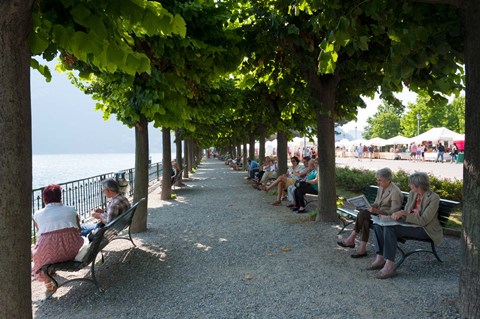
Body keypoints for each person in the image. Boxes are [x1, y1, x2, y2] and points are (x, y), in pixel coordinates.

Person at [367, 172, 443, 279]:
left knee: (390, 228)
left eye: (410, 183)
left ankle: (389, 266)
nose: (409, 186)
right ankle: (380, 258)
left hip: (426, 229)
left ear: (418, 185)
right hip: (410, 224)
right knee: (379, 225)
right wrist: (399, 215)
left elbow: (424, 220)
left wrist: (404, 214)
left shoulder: (434, 197)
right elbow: (407, 210)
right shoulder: (413, 193)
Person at [337, 168, 403, 258]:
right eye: (377, 180)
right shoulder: (381, 187)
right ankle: (362, 249)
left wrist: (376, 211)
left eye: (379, 180)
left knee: (363, 214)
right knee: (365, 219)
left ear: (388, 179)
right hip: (377, 215)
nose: (378, 182)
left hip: (386, 217)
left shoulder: (395, 192)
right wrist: (365, 205)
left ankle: (351, 239)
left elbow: (394, 212)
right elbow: (377, 203)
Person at [32, 184, 84, 292]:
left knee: (38, 249)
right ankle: (51, 273)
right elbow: (79, 230)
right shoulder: (71, 210)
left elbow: (40, 235)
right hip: (70, 252)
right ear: (60, 196)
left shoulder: (37, 214)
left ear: (44, 198)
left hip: (49, 255)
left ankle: (48, 282)